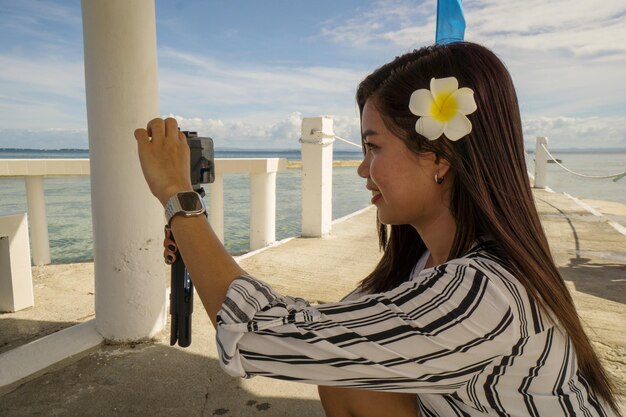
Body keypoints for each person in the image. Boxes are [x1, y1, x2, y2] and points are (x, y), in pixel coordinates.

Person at [135, 42, 621, 417]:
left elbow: (265, 337)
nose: (362, 170)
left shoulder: (482, 293)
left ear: (438, 157)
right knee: (348, 373)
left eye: (374, 148)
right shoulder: (427, 262)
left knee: (343, 371)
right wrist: (197, 243)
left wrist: (180, 198)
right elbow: (325, 335)